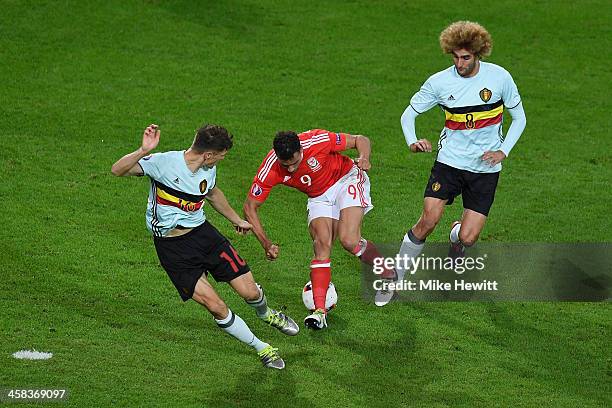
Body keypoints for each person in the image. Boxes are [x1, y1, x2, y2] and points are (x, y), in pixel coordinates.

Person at [111, 123, 299, 369]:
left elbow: (211, 193)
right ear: (208, 154)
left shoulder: (208, 169)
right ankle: (261, 347)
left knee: (250, 292)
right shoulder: (164, 163)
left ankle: (266, 314)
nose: (222, 160)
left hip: (205, 236)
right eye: (221, 155)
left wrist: (236, 219)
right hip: (173, 250)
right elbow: (117, 170)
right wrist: (143, 150)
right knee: (216, 306)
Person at [376, 21, 527, 306]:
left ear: (479, 53)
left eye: (465, 58)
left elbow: (520, 118)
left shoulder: (500, 78)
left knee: (469, 238)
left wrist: (503, 151)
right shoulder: (439, 82)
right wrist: (412, 140)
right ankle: (393, 279)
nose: (459, 63)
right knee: (427, 220)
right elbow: (408, 115)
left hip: (485, 168)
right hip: (449, 163)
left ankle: (456, 237)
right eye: (455, 57)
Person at [243, 129, 394, 330]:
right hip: (318, 196)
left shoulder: (317, 140)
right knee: (321, 244)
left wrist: (364, 158)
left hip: (346, 179)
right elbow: (249, 207)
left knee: (349, 240)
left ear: (301, 150)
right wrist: (265, 243)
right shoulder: (271, 167)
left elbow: (360, 139)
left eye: (294, 163)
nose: (289, 169)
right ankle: (320, 312)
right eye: (285, 165)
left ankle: (388, 274)